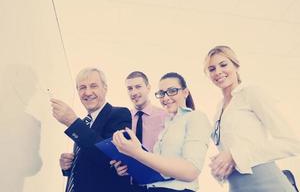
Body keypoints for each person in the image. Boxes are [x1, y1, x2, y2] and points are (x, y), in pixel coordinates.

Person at [204, 45, 300, 192]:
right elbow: (233, 150)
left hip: (266, 184)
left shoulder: (251, 93)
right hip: (237, 186)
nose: (218, 72)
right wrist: (220, 166)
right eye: (212, 69)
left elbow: (291, 143)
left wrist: (234, 155)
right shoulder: (218, 109)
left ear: (236, 65)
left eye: (223, 65)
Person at [113, 72, 211, 192]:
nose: (165, 98)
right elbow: (159, 167)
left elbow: (191, 171)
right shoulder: (168, 124)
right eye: (162, 93)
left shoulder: (196, 117)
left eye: (172, 91)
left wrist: (137, 152)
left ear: (185, 92)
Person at [51, 67, 132, 192]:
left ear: (105, 89)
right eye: (82, 87)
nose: (87, 92)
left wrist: (72, 122)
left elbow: (110, 159)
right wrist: (68, 167)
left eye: (93, 86)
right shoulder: (84, 123)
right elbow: (88, 161)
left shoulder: (120, 114)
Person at [111, 71, 167, 191]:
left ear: (148, 88)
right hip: (129, 186)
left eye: (138, 87)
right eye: (130, 88)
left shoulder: (165, 117)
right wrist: (117, 167)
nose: (134, 92)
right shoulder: (123, 118)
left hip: (158, 185)